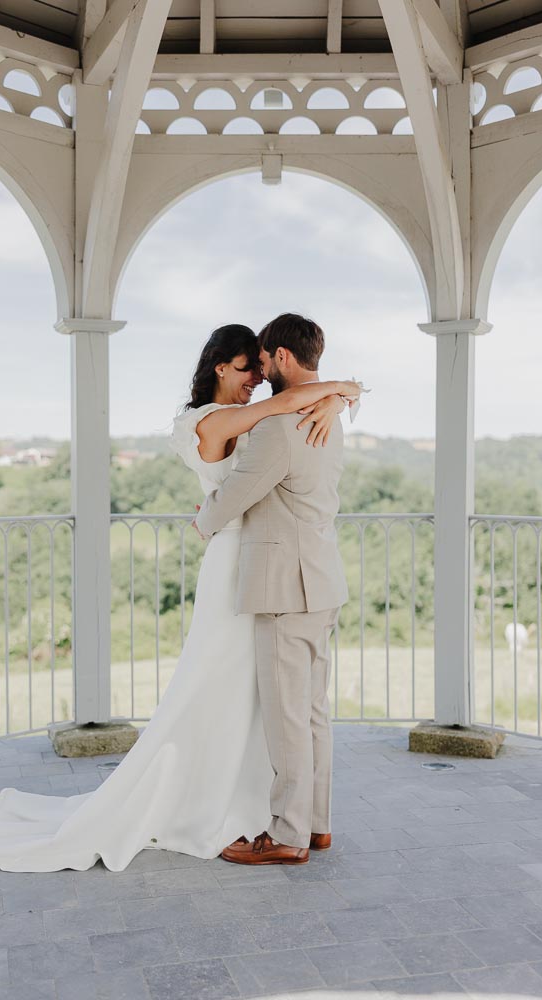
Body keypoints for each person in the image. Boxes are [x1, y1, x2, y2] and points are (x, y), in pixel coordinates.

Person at [0, 323, 360, 872]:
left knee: (283, 706)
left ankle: (288, 822)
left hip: (268, 570)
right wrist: (340, 393)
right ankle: (289, 817)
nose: (256, 381)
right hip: (250, 569)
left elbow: (256, 457)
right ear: (221, 367)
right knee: (267, 698)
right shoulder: (217, 421)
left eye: (262, 369)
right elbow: (280, 411)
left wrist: (340, 395)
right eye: (247, 370)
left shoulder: (287, 420)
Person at [194, 314, 349, 866]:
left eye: (263, 359)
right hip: (323, 581)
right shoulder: (330, 414)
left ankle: (286, 835)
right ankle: (318, 825)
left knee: (287, 718)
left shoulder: (279, 427)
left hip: (286, 587)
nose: (260, 368)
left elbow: (238, 492)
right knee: (311, 713)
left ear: (282, 357)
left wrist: (203, 521)